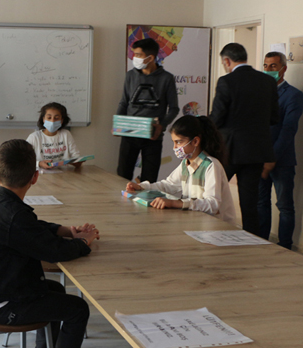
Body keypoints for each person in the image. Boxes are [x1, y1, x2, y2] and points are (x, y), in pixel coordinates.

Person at [0, 139, 99, 348]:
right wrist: (83, 242)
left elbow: (31, 228)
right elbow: (55, 252)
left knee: (56, 289)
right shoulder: (14, 215)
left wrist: (65, 231)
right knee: (78, 309)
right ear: (35, 177)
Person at [210, 43, 279, 235]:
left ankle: (213, 234)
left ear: (227, 61)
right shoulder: (268, 81)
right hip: (256, 151)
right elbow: (275, 118)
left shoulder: (226, 81)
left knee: (214, 195)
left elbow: (217, 118)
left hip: (229, 150)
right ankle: (252, 242)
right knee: (250, 204)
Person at [125, 115, 236, 224]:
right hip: (198, 222)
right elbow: (168, 185)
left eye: (179, 142)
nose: (175, 147)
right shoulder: (185, 163)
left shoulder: (211, 165)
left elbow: (213, 205)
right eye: (174, 142)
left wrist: (176, 203)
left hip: (219, 226)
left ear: (195, 141)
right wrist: (142, 187)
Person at [116, 37, 179, 184]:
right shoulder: (130, 75)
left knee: (149, 178)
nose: (135, 58)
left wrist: (161, 126)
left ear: (150, 58)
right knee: (122, 175)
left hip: (152, 135)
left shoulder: (166, 78)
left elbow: (174, 108)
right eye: (134, 54)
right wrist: (117, 122)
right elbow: (124, 102)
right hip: (129, 132)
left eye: (138, 55)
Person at [258, 51, 303, 249]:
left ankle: (285, 247)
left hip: (282, 161)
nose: (268, 69)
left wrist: (272, 158)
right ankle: (260, 243)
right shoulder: (259, 93)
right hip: (259, 159)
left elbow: (288, 130)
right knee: (261, 203)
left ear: (283, 69)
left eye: (273, 66)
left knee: (285, 206)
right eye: (265, 66)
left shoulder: (294, 95)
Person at [27, 102, 82, 170]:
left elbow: (77, 158)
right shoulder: (34, 137)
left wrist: (76, 162)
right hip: (42, 174)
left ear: (62, 120)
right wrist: (39, 163)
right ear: (43, 119)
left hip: (64, 174)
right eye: (49, 117)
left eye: (56, 118)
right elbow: (24, 161)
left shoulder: (66, 134)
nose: (52, 121)